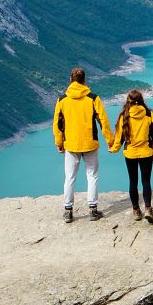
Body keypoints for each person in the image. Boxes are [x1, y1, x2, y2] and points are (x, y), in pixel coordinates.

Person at [53, 67, 114, 223]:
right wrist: (110, 139)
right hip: (90, 143)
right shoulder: (93, 98)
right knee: (92, 176)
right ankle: (93, 209)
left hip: (71, 144)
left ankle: (68, 211)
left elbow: (58, 125)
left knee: (70, 177)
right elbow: (103, 121)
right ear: (84, 80)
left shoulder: (62, 100)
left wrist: (59, 143)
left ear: (71, 80)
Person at [109, 89, 153, 224]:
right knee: (146, 181)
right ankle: (148, 209)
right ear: (142, 100)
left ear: (128, 101)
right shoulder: (149, 114)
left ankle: (136, 210)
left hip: (130, 153)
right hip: (146, 152)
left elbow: (119, 138)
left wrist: (113, 149)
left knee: (133, 181)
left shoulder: (124, 116)